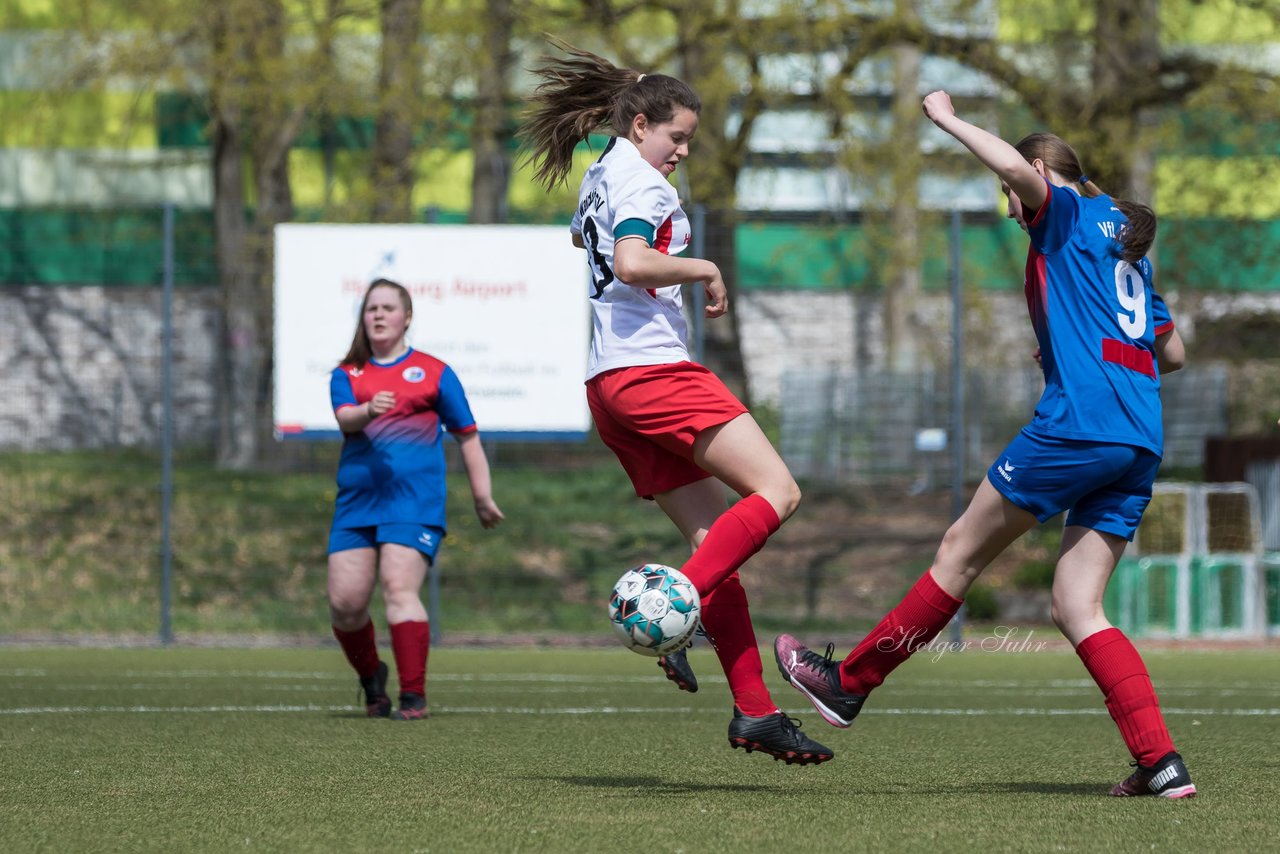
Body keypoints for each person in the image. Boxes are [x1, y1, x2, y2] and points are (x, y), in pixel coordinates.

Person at [775, 90, 1195, 796]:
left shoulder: (1060, 212)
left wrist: (947, 119)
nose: (1009, 205)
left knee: (958, 553)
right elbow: (1173, 352)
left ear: (1034, 171)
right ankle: (1160, 761)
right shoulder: (1124, 237)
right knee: (1077, 606)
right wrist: (1081, 347)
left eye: (1008, 191)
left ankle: (848, 684)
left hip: (1079, 424)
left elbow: (1025, 177)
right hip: (1139, 435)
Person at [519, 40, 831, 765]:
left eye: (688, 139)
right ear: (639, 126)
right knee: (778, 492)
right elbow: (631, 263)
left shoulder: (605, 173)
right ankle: (676, 611)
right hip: (655, 374)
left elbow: (587, 243)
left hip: (609, 383)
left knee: (713, 545)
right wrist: (704, 267)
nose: (683, 151)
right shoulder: (645, 185)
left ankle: (755, 711)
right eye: (676, 136)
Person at [327, 278, 504, 721]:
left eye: (388, 307)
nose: (379, 315)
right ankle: (372, 678)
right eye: (372, 309)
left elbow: (467, 437)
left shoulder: (434, 372)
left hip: (413, 502)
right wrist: (369, 410)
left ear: (407, 316)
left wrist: (481, 496)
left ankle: (413, 695)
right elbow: (347, 419)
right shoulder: (347, 374)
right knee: (346, 606)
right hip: (356, 504)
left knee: (398, 588)